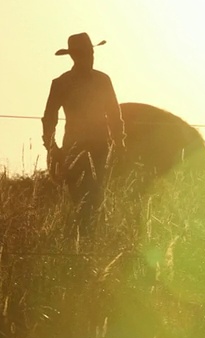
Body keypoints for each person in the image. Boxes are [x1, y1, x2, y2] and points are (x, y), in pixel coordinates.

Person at [41, 32, 126, 232]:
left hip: (97, 147)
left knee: (95, 195)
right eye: (86, 53)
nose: (91, 56)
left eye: (91, 52)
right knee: (82, 197)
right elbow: (49, 117)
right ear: (75, 56)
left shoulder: (100, 80)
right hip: (75, 148)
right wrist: (52, 148)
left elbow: (114, 114)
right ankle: (85, 235)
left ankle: (89, 234)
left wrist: (119, 143)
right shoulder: (62, 83)